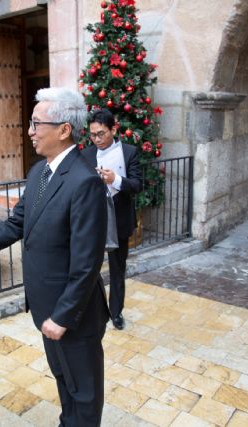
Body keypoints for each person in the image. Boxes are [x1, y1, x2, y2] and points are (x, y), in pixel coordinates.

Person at [0, 87, 109, 426]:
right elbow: (17, 224)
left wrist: (64, 316)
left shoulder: (84, 182)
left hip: (73, 314)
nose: (30, 131)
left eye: (37, 123)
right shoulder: (41, 172)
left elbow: (86, 263)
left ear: (64, 130)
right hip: (46, 307)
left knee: (84, 392)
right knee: (64, 380)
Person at [81, 109, 142, 330]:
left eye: (101, 134)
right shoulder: (86, 154)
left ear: (113, 129)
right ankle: (90, 311)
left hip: (119, 220)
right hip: (93, 220)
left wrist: (115, 179)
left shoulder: (130, 152)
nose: (97, 139)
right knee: (89, 268)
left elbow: (137, 185)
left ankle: (116, 313)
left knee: (117, 270)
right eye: (93, 134)